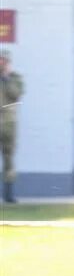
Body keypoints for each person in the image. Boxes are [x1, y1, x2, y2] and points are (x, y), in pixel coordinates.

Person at [0, 49, 23, 203]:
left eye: (5, 61)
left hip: (8, 125)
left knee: (9, 159)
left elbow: (16, 94)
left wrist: (7, 78)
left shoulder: (15, 78)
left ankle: (8, 194)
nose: (2, 63)